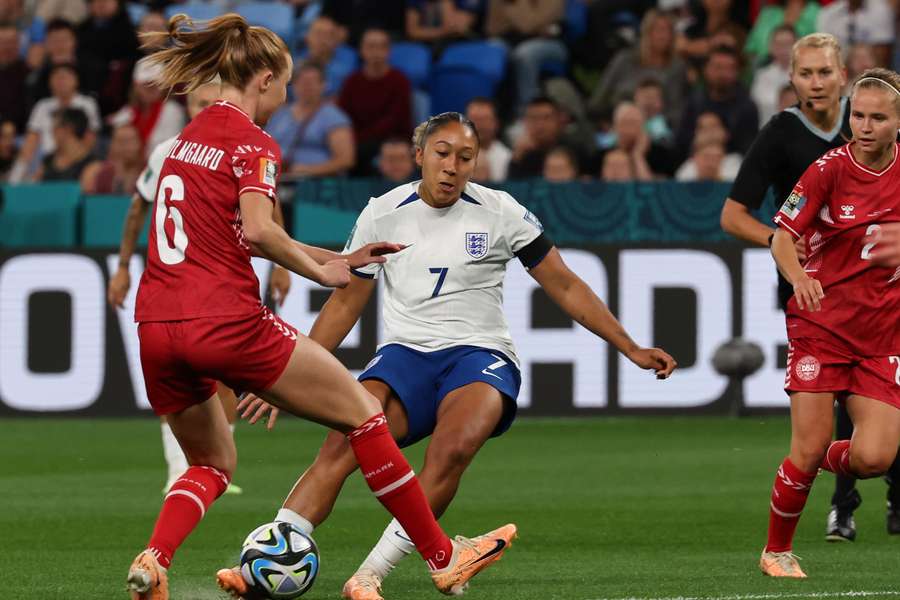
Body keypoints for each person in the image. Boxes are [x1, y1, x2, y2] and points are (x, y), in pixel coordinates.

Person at [124, 14, 515, 600]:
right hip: (225, 320)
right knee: (363, 415)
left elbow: (233, 231)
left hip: (156, 327)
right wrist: (320, 268)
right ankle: (441, 556)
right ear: (263, 79)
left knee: (212, 462)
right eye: (283, 84)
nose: (282, 98)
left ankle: (155, 560)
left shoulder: (182, 142)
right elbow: (258, 231)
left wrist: (335, 256)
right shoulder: (254, 143)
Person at [228, 111, 677, 600]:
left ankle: (368, 577)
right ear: (420, 155)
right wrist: (294, 370)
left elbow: (564, 284)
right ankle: (266, 565)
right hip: (404, 356)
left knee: (454, 447)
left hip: (480, 355)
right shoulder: (383, 211)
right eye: (442, 154)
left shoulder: (502, 211)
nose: (452, 167)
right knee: (340, 446)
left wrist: (629, 346)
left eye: (466, 157)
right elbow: (346, 303)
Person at [720, 33, 900, 543]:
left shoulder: (876, 127)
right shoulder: (799, 148)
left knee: (874, 447)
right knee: (822, 432)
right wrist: (794, 263)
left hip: (884, 319)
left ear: (843, 76)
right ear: (792, 79)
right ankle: (831, 514)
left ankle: (865, 482)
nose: (816, 82)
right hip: (819, 305)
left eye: (825, 72)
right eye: (806, 73)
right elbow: (743, 219)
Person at [107, 81, 290, 497]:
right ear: (189, 107)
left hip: (225, 278)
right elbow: (139, 205)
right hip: (185, 283)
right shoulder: (173, 149)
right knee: (185, 380)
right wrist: (121, 267)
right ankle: (183, 467)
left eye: (215, 101)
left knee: (222, 379)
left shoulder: (240, 144)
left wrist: (280, 263)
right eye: (202, 103)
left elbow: (267, 205)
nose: (211, 109)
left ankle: (211, 465)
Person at [760, 67, 900, 578]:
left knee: (875, 458)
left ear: (898, 124)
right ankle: (776, 551)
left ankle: (809, 460)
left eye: (877, 118)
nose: (864, 126)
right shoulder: (827, 170)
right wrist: (797, 276)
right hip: (821, 324)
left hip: (883, 336)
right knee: (810, 441)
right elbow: (781, 235)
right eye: (857, 115)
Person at [337, 28, 411, 176]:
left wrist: (358, 140)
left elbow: (395, 120)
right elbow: (343, 116)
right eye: (371, 46)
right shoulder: (352, 81)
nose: (376, 52)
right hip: (356, 141)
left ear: (389, 51)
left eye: (381, 47)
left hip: (391, 140)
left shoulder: (399, 80)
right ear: (361, 50)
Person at [266, 60, 355, 177]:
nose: (306, 87)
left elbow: (345, 160)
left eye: (312, 82)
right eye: (302, 81)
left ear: (324, 85)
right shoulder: (279, 114)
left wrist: (309, 170)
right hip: (276, 179)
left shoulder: (334, 117)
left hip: (315, 183)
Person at [33, 107, 94, 182]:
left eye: (55, 128)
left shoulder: (92, 164)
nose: (52, 132)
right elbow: (35, 186)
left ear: (68, 129)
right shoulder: (48, 160)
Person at [81, 122, 143, 194]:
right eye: (121, 142)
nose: (125, 147)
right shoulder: (100, 173)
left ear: (139, 144)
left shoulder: (149, 172)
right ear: (112, 145)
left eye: (130, 141)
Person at [465, 97, 510, 182]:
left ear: (496, 123)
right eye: (474, 119)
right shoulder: (451, 154)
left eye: (485, 119)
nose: (479, 125)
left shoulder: (507, 157)